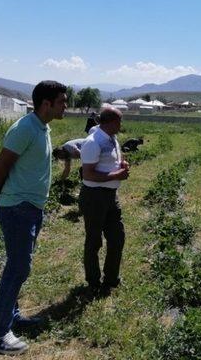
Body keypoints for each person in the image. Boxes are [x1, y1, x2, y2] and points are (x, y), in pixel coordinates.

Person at [0, 80, 67, 355]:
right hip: (18, 207)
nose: (66, 105)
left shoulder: (42, 127)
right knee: (18, 268)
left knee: (18, 265)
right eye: (62, 101)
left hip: (30, 207)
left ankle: (12, 316)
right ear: (46, 104)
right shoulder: (25, 128)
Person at [79, 107, 129, 295]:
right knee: (94, 241)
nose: (121, 125)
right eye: (119, 121)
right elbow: (88, 174)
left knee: (117, 237)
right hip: (94, 197)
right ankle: (93, 282)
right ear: (110, 122)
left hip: (110, 196)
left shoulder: (112, 139)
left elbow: (114, 160)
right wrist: (117, 174)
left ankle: (111, 278)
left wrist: (122, 165)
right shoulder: (93, 142)